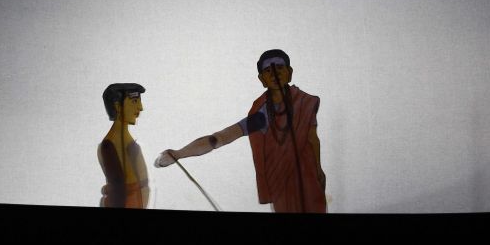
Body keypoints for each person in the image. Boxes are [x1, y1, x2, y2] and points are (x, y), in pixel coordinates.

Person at [155, 50, 326, 213]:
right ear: (262, 79)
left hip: (310, 181)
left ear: (289, 72)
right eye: (268, 70)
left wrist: (318, 169)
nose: (275, 73)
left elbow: (312, 138)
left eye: (280, 67)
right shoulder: (261, 116)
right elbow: (219, 138)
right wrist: (178, 153)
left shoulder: (305, 102)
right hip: (282, 187)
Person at [98, 83, 149, 208]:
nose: (140, 107)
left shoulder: (129, 143)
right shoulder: (109, 145)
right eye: (134, 101)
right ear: (117, 106)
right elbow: (119, 190)